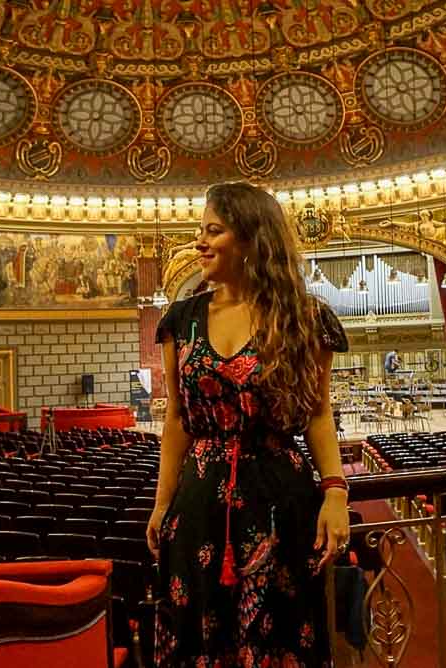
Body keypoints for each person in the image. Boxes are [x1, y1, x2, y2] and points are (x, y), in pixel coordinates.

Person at [148, 182, 350, 667]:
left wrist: (337, 492)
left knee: (285, 632)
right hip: (198, 501)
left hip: (282, 498)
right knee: (199, 633)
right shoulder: (181, 319)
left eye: (213, 230)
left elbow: (318, 412)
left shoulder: (306, 318)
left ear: (251, 239)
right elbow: (177, 418)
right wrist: (162, 503)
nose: (199, 242)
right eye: (200, 230)